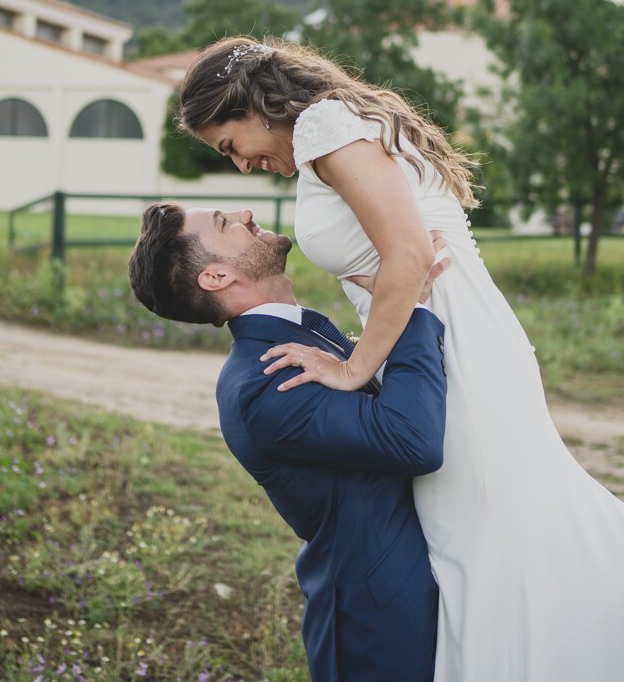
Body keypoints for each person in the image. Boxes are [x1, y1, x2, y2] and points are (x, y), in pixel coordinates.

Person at [175, 37, 624, 682]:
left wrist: (354, 370)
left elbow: (411, 255)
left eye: (229, 144)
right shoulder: (333, 128)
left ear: (248, 103)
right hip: (446, 336)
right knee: (492, 542)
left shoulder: (324, 127)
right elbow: (400, 256)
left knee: (489, 544)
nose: (240, 165)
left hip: (455, 343)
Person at [127, 201, 452, 682]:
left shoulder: (292, 336)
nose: (245, 213)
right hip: (383, 625)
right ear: (216, 277)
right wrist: (412, 307)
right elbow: (412, 438)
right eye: (224, 223)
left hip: (427, 589)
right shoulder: (264, 382)